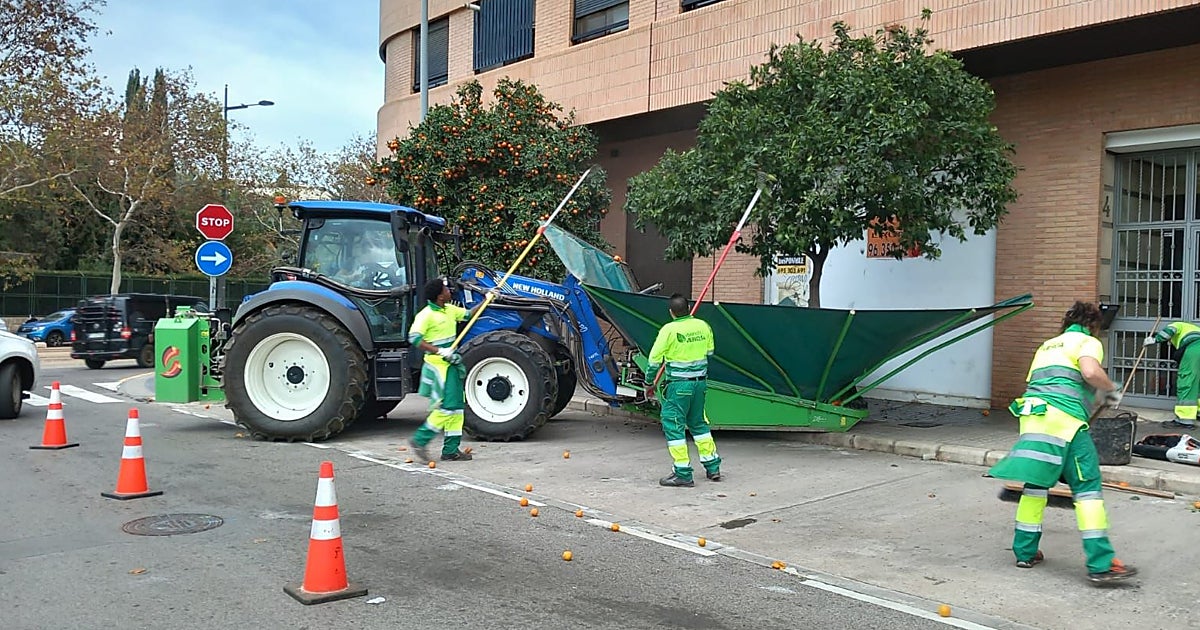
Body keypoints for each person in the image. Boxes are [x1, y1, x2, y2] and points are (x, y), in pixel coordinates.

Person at [988, 301, 1137, 584]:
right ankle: (1101, 563)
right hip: (1064, 424)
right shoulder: (1087, 341)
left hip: (1033, 418)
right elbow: (1090, 373)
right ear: (1093, 324)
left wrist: (1095, 397)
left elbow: (1055, 383)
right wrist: (1111, 389)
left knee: (1035, 484)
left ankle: (1024, 551)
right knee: (1088, 488)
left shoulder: (1047, 345)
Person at [407, 277, 491, 462]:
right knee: (447, 408)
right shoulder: (426, 315)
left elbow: (469, 315)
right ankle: (420, 439)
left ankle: (451, 450)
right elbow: (414, 338)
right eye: (445, 289)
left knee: (457, 409)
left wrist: (487, 299)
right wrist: (439, 350)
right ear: (439, 297)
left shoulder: (450, 310)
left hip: (451, 364)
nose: (449, 291)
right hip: (439, 367)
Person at [645, 294, 722, 487]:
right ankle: (712, 466)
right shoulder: (703, 326)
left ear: (671, 312)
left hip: (679, 385)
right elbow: (710, 352)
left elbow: (654, 361)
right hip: (700, 384)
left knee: (673, 424)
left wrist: (649, 383)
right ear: (688, 308)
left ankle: (683, 472)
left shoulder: (668, 330)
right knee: (698, 423)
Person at [1143, 321, 1200, 429]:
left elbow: (1169, 331)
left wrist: (1155, 339)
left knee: (1186, 381)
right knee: (1198, 383)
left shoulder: (1177, 324)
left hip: (1194, 350)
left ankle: (1184, 419)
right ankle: (1198, 412)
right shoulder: (1193, 329)